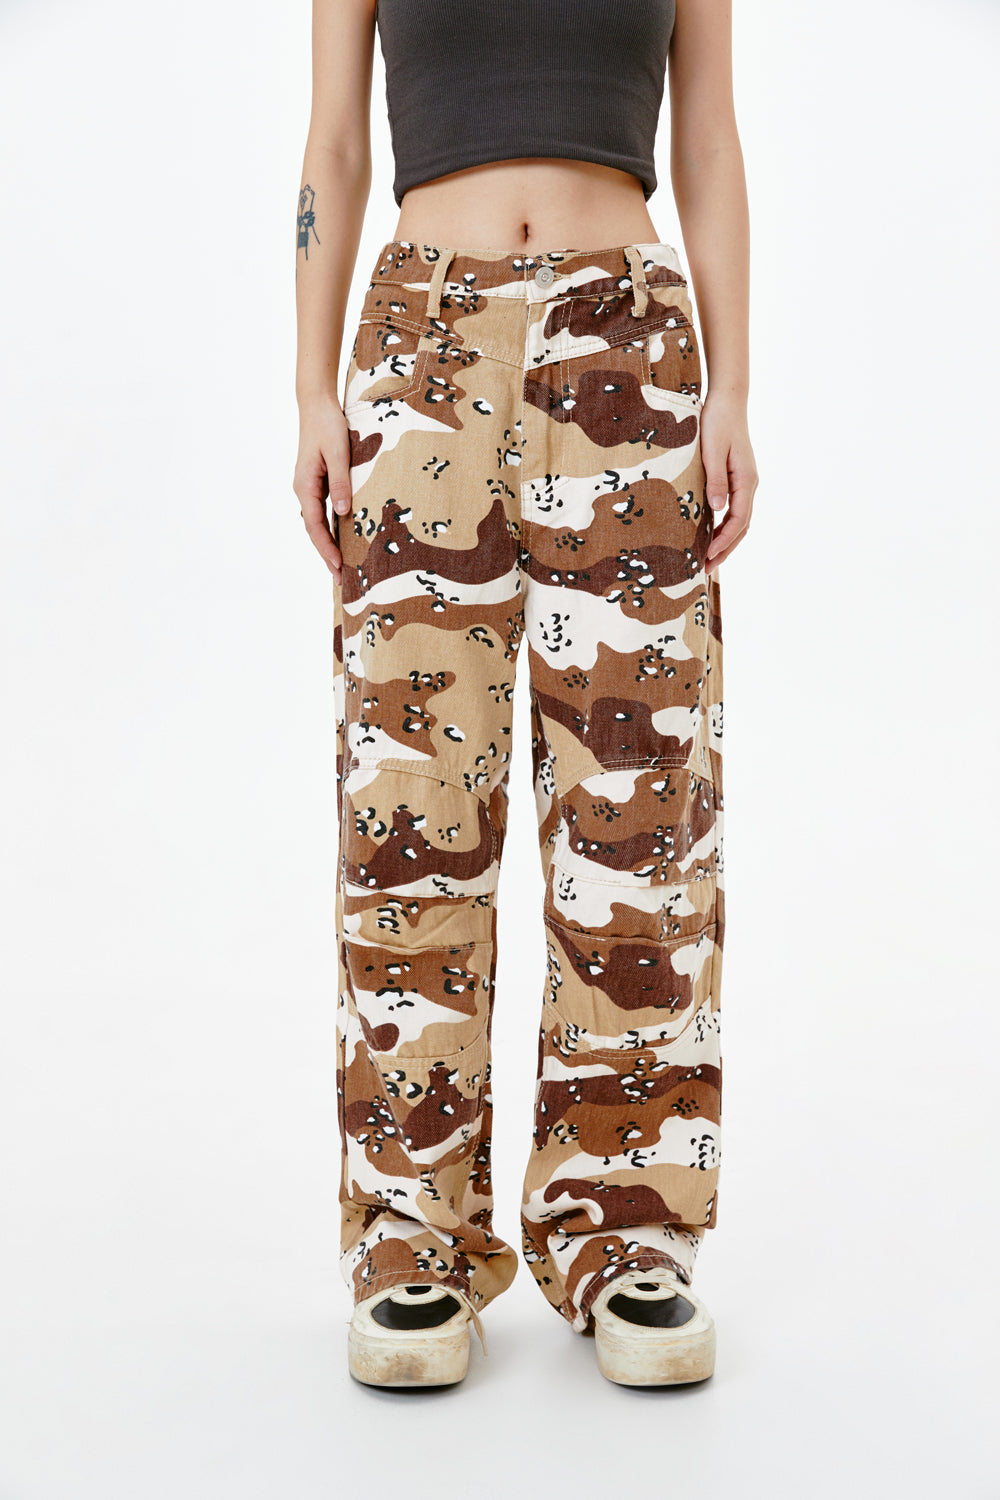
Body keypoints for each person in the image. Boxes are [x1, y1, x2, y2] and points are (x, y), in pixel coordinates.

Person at [293, 0, 757, 1390]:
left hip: (628, 338)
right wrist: (310, 393)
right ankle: (411, 1238)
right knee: (410, 815)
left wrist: (733, 392)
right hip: (424, 346)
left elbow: (710, 141)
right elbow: (333, 146)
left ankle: (625, 1227)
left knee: (640, 825)